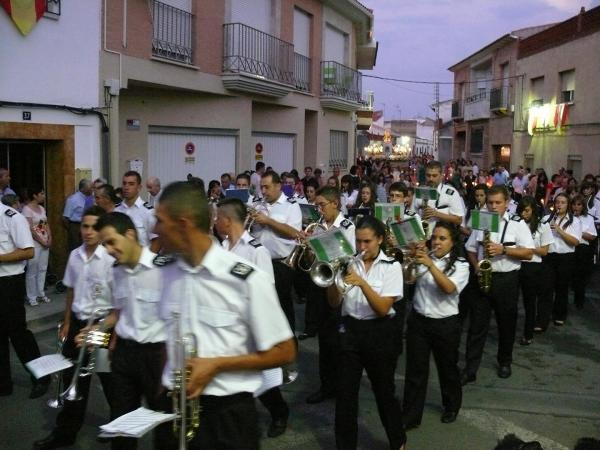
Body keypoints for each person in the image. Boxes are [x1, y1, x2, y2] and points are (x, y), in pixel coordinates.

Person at [153, 181, 296, 449]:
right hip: (174, 406)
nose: (153, 229)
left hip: (226, 416)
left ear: (183, 224)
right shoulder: (166, 271)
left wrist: (217, 364)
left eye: (160, 221)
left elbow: (285, 351)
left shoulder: (244, 278)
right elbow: (167, 334)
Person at [33, 206, 114, 450]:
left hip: (101, 326)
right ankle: (65, 433)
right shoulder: (75, 256)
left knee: (110, 380)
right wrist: (67, 321)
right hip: (78, 322)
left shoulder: (111, 259)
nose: (88, 232)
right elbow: (71, 290)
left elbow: (120, 300)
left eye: (94, 227)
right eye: (84, 226)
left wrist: (103, 329)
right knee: (72, 380)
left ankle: (118, 428)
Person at [327, 215, 405, 450]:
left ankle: (397, 441)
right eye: (359, 242)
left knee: (384, 393)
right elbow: (333, 303)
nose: (362, 247)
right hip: (350, 331)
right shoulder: (349, 263)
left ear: (380, 239)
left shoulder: (392, 267)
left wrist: (362, 283)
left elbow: (382, 309)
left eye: (367, 241)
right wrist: (333, 277)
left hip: (380, 333)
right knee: (345, 396)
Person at [215, 198, 290, 438]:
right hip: (228, 323)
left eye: (218, 217)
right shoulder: (222, 248)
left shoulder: (257, 251)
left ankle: (279, 412)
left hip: (252, 323)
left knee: (263, 378)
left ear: (227, 220)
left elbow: (266, 291)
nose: (215, 222)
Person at [94, 212, 167, 450]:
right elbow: (119, 310)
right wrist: (99, 328)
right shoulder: (116, 270)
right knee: (122, 424)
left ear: (130, 234)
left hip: (158, 357)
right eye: (104, 244)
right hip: (124, 355)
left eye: (111, 241)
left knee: (165, 424)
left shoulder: (164, 270)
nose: (108, 249)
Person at [463, 186, 534, 382]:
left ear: (508, 202)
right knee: (476, 326)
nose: (493, 207)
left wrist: (503, 250)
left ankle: (505, 361)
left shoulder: (517, 224)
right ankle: (470, 368)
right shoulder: (480, 219)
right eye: (490, 202)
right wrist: (476, 265)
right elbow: (469, 248)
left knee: (506, 324)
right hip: (481, 278)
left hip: (506, 280)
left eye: (498, 203)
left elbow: (528, 252)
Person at [402, 222, 470, 429]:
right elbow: (409, 280)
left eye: (442, 239)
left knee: (447, 369)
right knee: (415, 371)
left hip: (445, 324)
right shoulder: (425, 258)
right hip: (419, 320)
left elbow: (449, 288)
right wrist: (411, 260)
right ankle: (411, 416)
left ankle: (451, 406)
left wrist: (430, 265)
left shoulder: (461, 264)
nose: (437, 242)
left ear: (452, 242)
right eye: (434, 238)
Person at [304, 186, 356, 405]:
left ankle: (341, 386)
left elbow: (350, 255)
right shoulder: (317, 227)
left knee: (339, 341)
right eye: (316, 206)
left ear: (335, 203)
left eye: (322, 205)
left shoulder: (347, 226)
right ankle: (326, 386)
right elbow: (310, 263)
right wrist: (307, 248)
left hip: (340, 285)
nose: (319, 209)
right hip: (321, 283)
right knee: (324, 340)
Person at [0, 199, 49, 398]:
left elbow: (28, 251)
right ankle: (4, 383)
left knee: (18, 333)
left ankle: (41, 377)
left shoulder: (12, 217)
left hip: (9, 282)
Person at [249, 170, 303, 333]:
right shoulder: (258, 204)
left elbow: (294, 232)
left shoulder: (291, 205)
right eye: (261, 187)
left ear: (278, 186)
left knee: (282, 304)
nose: (263, 191)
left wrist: (268, 221)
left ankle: (288, 340)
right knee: (262, 303)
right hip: (258, 261)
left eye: (267, 187)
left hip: (280, 263)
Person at [539, 193, 581, 328]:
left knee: (562, 288)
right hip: (549, 256)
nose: (559, 205)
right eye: (557, 202)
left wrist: (559, 230)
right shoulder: (546, 218)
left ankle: (559, 314)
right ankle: (542, 319)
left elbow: (575, 242)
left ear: (567, 205)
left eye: (563, 202)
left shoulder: (574, 220)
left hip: (565, 257)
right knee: (546, 288)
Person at [516, 197, 553, 345]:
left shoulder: (542, 225)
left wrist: (527, 249)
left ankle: (528, 333)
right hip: (515, 264)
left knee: (529, 302)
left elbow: (544, 251)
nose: (524, 214)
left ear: (533, 210)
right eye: (522, 211)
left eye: (527, 211)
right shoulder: (516, 224)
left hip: (532, 267)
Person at [414, 161, 465, 238]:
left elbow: (458, 220)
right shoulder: (419, 192)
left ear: (441, 176)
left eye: (434, 176)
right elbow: (412, 216)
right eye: (428, 175)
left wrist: (436, 214)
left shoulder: (451, 193)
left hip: (443, 238)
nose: (431, 178)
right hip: (422, 237)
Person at [22, 187, 52, 306]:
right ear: (34, 195)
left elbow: (45, 224)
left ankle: (41, 293)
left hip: (45, 242)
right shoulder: (26, 209)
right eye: (41, 193)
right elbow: (30, 229)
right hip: (34, 243)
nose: (44, 195)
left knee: (43, 268)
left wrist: (50, 237)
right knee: (32, 270)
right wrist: (41, 241)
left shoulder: (41, 208)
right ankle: (31, 296)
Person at [115, 171, 159, 252]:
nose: (126, 187)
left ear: (139, 188)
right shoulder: (116, 210)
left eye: (131, 184)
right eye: (124, 183)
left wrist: (148, 261)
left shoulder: (148, 212)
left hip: (140, 261)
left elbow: (156, 241)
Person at [570, 194, 597, 310]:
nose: (576, 207)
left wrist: (578, 230)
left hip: (582, 249)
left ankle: (579, 301)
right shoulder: (568, 217)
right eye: (574, 204)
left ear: (583, 206)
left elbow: (592, 237)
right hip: (569, 247)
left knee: (580, 277)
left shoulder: (588, 218)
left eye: (579, 205)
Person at [63, 179, 93, 251]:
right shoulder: (73, 199)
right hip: (75, 227)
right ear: (83, 188)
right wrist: (72, 229)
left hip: (88, 225)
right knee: (75, 249)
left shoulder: (91, 199)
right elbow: (65, 217)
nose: (92, 189)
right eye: (90, 187)